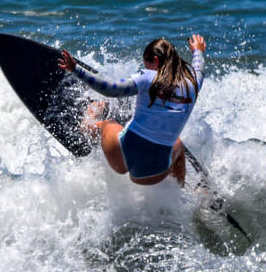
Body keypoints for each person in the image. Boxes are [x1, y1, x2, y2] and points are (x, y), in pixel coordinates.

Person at [58, 35, 206, 186]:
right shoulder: (193, 83)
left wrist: (75, 69)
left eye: (147, 65)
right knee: (178, 146)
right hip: (153, 174)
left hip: (120, 157)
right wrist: (198, 51)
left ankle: (86, 126)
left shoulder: (148, 76)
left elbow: (111, 89)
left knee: (108, 124)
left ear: (155, 61)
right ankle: (177, 194)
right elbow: (199, 67)